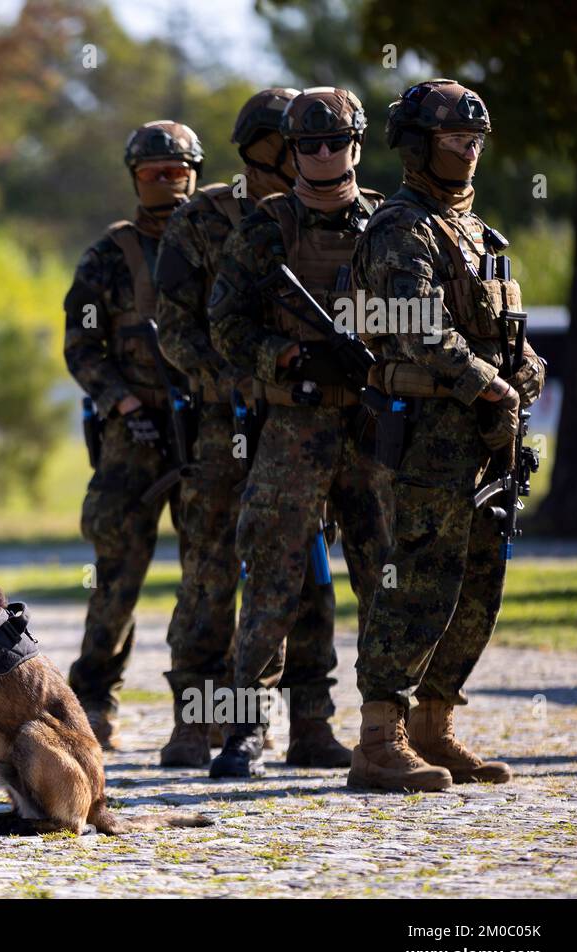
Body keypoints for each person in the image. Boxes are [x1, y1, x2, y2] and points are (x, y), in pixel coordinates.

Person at [348, 80, 545, 791]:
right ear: (416, 144)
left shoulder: (482, 233)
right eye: (454, 138)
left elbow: (511, 338)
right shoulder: (402, 228)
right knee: (419, 581)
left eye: (475, 140)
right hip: (428, 435)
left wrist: (522, 376)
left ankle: (434, 724)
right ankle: (379, 738)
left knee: (479, 584)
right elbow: (415, 326)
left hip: (489, 438)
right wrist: (486, 383)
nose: (468, 150)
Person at [155, 88, 350, 769]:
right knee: (209, 571)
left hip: (306, 420)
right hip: (223, 423)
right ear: (258, 149)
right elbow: (176, 328)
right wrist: (235, 377)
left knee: (305, 576)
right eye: (288, 145)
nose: (303, 155)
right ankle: (198, 721)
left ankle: (310, 721)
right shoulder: (203, 218)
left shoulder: (329, 212)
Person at [208, 87, 393, 778]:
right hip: (294, 425)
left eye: (335, 141)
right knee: (272, 580)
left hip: (373, 420)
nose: (322, 154)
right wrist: (287, 355)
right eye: (307, 145)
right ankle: (245, 731)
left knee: (386, 573)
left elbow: (426, 312)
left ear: (357, 143)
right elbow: (226, 325)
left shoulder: (387, 221)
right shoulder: (267, 226)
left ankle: (386, 729)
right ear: (289, 151)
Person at [64, 121, 204, 749]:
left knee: (209, 574)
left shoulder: (217, 245)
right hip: (135, 430)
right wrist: (119, 400)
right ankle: (92, 701)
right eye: (154, 174)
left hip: (206, 430)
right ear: (135, 180)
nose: (168, 185)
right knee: (117, 572)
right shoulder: (107, 256)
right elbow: (81, 346)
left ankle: (200, 712)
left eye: (178, 173)